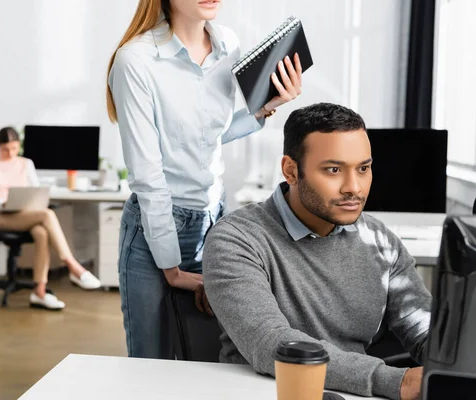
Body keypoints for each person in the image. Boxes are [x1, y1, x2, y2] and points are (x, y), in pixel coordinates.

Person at [107, 0, 303, 359]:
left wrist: (264, 107)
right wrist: (171, 269)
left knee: (214, 356)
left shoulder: (228, 45)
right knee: (152, 362)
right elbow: (149, 177)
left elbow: (209, 137)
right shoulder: (135, 61)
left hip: (215, 221)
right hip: (156, 228)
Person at [203, 103, 431, 400]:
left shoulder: (381, 241)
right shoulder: (237, 238)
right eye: (333, 170)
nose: (354, 187)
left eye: (363, 168)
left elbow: (424, 329)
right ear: (291, 171)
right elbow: (269, 342)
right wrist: (391, 380)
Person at [0, 127, 101, 310]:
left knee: (42, 233)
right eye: (6, 149)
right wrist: (2, 202)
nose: (10, 153)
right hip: (1, 217)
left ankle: (39, 292)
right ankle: (73, 265)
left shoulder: (26, 163)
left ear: (19, 145)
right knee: (47, 214)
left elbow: (36, 192)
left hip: (25, 215)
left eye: (14, 148)